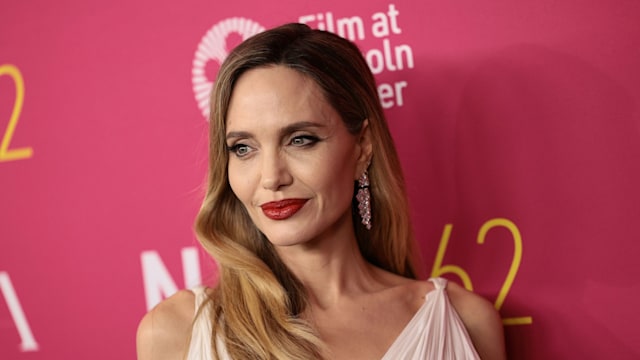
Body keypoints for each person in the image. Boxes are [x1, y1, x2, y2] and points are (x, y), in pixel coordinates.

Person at [137, 23, 506, 359]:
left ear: (362, 147)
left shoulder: (464, 323)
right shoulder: (176, 332)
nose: (270, 177)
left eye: (300, 140)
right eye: (243, 148)